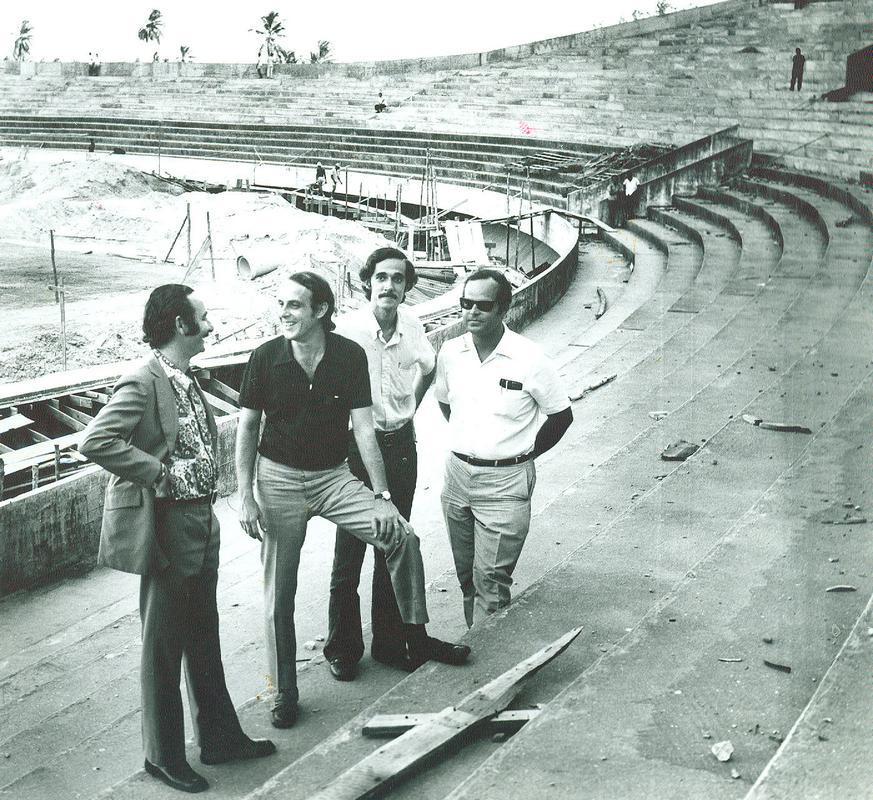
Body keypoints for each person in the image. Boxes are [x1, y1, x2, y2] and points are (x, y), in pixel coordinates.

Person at [234, 271, 470, 729]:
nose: (283, 313)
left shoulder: (347, 355)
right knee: (278, 595)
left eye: (294, 305)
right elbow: (247, 428)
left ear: (321, 310)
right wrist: (246, 495)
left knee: (402, 536)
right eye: (280, 304)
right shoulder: (264, 357)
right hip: (278, 481)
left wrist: (382, 497)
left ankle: (413, 635)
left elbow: (364, 430)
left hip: (334, 477)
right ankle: (284, 690)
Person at [80, 284, 276, 795]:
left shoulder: (184, 378)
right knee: (164, 645)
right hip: (166, 526)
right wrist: (156, 473)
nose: (211, 326)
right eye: (204, 318)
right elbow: (95, 440)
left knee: (202, 634)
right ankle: (162, 757)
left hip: (199, 520)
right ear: (180, 324)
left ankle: (219, 739)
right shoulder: (142, 382)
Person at [436, 269, 573, 627]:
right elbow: (446, 403)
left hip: (506, 484)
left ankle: (487, 670)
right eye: (466, 304)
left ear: (503, 309)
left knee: (491, 583)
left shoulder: (530, 358)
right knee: (467, 578)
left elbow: (561, 416)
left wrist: (524, 454)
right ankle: (477, 640)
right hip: (457, 478)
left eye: (483, 305)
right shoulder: (451, 352)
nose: (472, 313)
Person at [323, 248, 435, 681]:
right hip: (356, 449)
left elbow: (429, 365)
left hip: (401, 445)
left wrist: (411, 408)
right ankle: (342, 648)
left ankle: (388, 644)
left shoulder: (413, 326)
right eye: (382, 277)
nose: (389, 286)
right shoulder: (348, 331)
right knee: (348, 551)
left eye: (399, 279)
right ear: (368, 281)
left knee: (394, 542)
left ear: (407, 286)